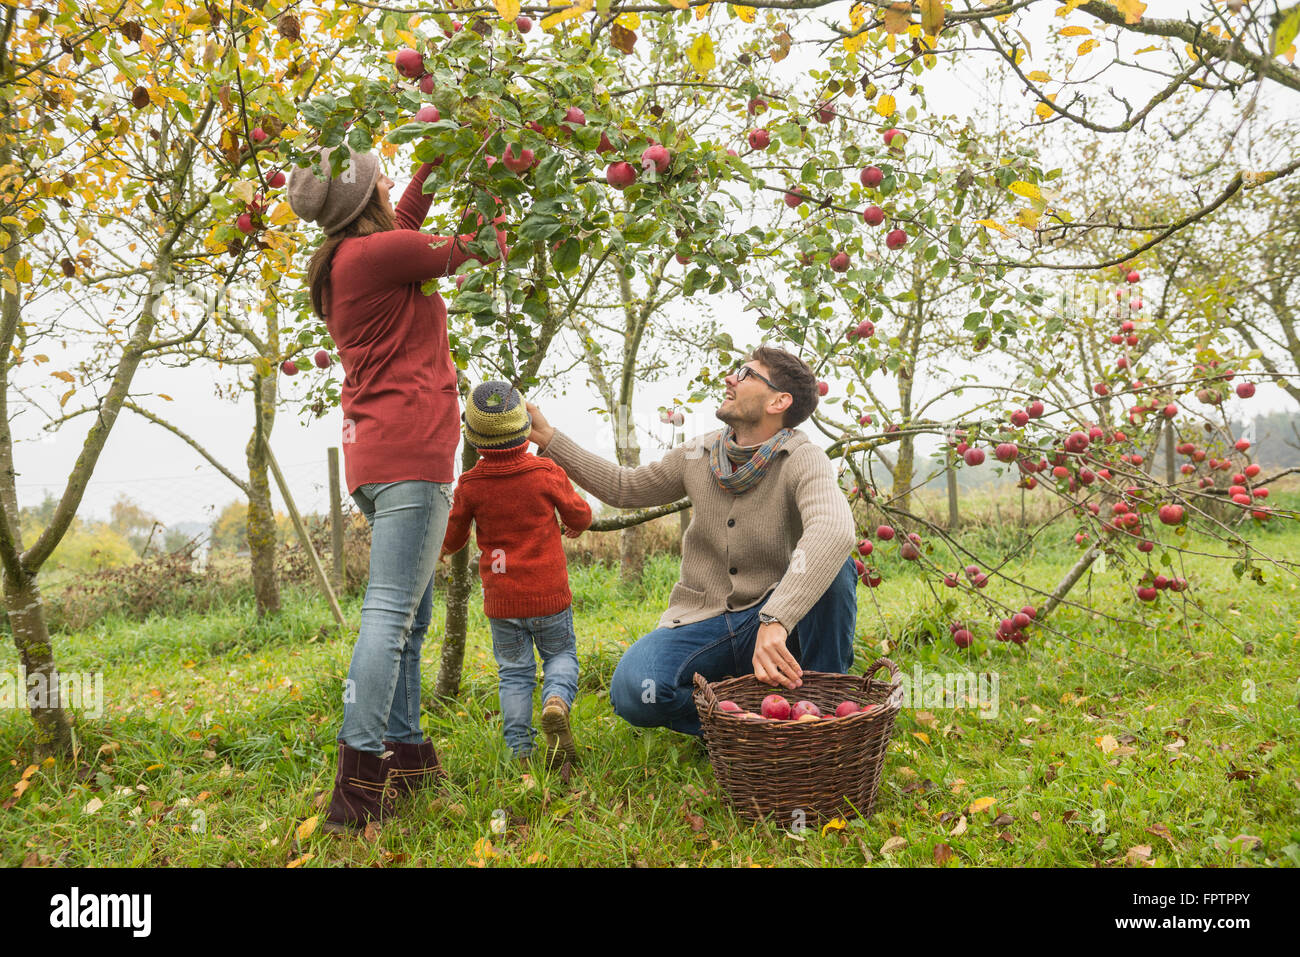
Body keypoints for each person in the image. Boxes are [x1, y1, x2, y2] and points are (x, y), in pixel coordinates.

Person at [287, 146, 506, 833]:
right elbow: (470, 246)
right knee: (390, 614)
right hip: (412, 453)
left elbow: (404, 220)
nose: (389, 176)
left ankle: (408, 756)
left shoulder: (349, 257)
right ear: (362, 196)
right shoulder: (377, 256)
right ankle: (357, 787)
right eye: (379, 172)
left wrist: (440, 158)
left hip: (378, 458)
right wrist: (494, 167)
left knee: (408, 619)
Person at [526, 345, 858, 736]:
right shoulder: (699, 452)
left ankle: (821, 712)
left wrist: (776, 618)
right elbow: (624, 487)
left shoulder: (803, 457)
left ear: (779, 401)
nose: (730, 378)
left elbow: (834, 529)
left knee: (835, 565)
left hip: (774, 615)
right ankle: (745, 725)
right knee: (637, 691)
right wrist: (549, 438)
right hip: (704, 619)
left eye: (747, 374)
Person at [438, 381, 592, 767]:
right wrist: (570, 522)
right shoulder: (545, 471)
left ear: (472, 438)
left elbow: (454, 535)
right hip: (549, 596)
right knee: (560, 654)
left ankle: (520, 752)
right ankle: (556, 699)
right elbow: (581, 515)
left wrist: (441, 549)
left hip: (502, 601)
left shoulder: (470, 484)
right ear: (525, 428)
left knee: (514, 675)